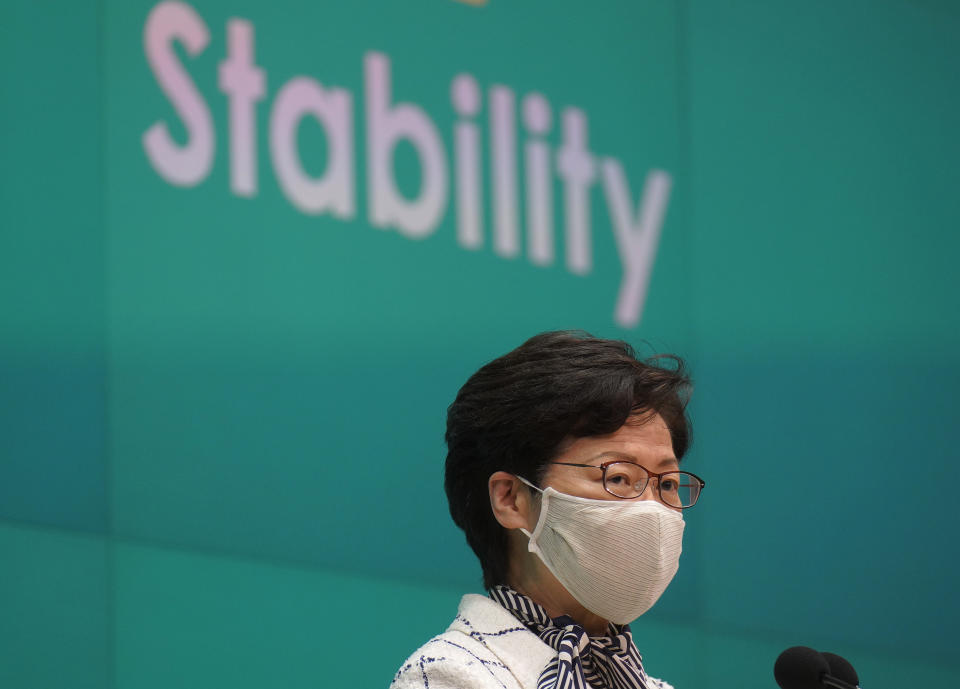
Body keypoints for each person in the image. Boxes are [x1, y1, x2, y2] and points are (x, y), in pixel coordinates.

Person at [390, 331, 704, 689]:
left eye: (666, 484)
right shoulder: (450, 674)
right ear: (511, 499)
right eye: (617, 478)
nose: (652, 510)